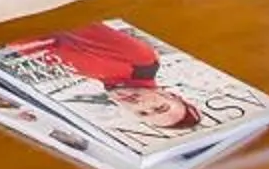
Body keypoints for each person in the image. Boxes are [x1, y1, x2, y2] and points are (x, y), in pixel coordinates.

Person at [37, 23, 201, 133]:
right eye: (159, 107)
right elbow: (70, 18)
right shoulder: (139, 60)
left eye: (143, 113)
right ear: (169, 95)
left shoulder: (108, 80)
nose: (140, 105)